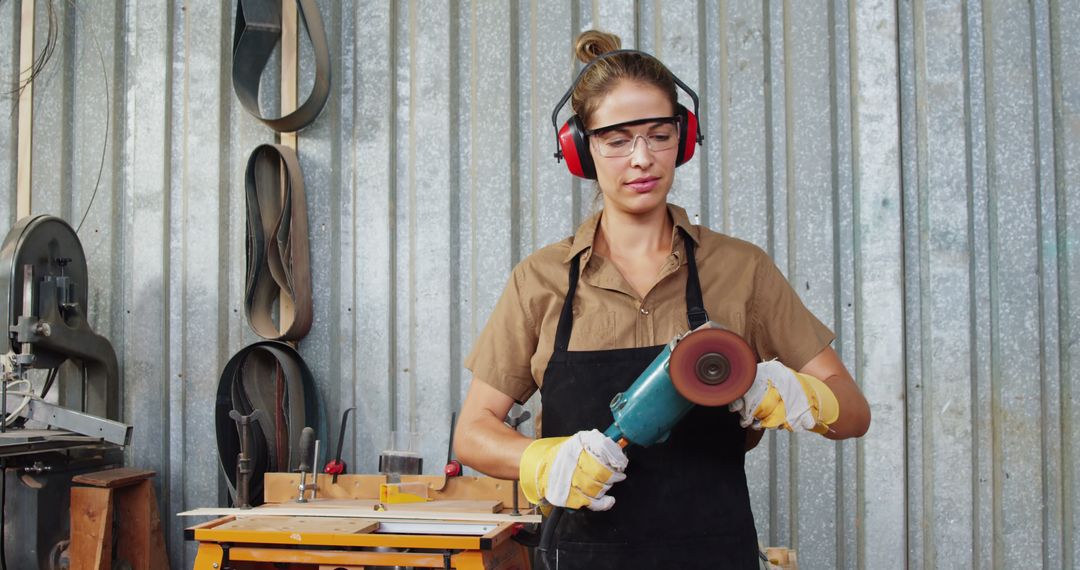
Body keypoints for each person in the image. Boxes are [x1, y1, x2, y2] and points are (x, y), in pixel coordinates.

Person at [454, 29, 871, 569]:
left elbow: (854, 412)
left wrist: (794, 394)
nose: (642, 158)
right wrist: (545, 458)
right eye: (617, 138)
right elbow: (472, 433)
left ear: (685, 137)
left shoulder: (741, 269)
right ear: (580, 148)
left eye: (659, 134)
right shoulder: (541, 280)